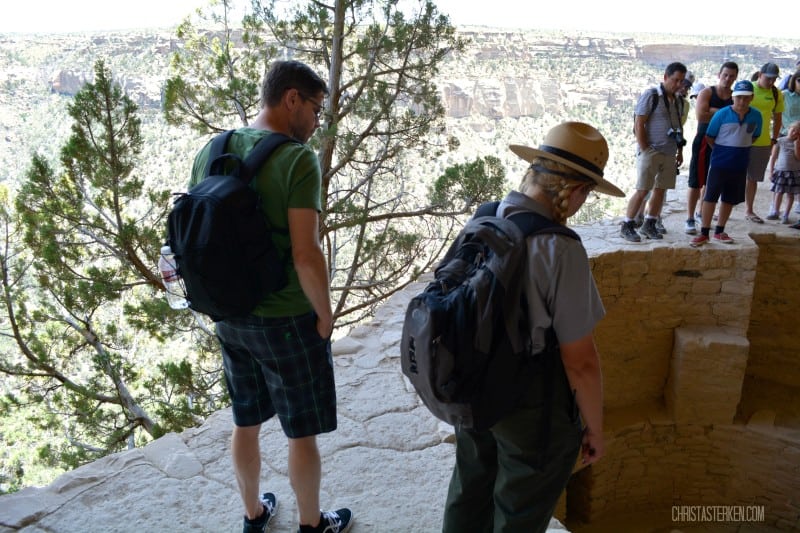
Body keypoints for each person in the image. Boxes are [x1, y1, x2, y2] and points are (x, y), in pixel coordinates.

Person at [189, 60, 353, 533]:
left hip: (229, 312)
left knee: (246, 419)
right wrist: (325, 315)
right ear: (292, 99)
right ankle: (311, 524)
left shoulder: (213, 149)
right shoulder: (298, 160)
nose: (318, 120)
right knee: (301, 431)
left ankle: (253, 513)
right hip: (285, 317)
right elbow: (306, 253)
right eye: (316, 108)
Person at [442, 122, 623, 533]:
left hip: (471, 384)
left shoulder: (486, 216)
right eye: (587, 193)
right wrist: (594, 428)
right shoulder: (560, 248)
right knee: (519, 512)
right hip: (530, 406)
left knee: (469, 491)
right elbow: (580, 362)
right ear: (575, 191)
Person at [620, 62, 688, 242]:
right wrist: (644, 148)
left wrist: (679, 152)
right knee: (643, 189)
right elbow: (639, 123)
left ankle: (649, 224)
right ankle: (627, 224)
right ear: (665, 77)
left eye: (681, 81)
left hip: (669, 152)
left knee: (660, 190)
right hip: (651, 150)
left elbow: (678, 127)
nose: (678, 84)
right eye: (675, 80)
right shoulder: (651, 95)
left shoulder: (679, 101)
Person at [691, 80, 762, 247]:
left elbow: (755, 135)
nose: (742, 102)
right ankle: (704, 232)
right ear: (733, 97)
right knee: (710, 197)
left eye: (745, 98)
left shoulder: (756, 115)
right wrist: (722, 150)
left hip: (740, 163)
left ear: (751, 97)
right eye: (738, 98)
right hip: (719, 163)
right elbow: (710, 136)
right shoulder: (722, 114)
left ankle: (719, 231)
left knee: (729, 198)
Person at [685, 62, 738, 235]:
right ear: (719, 74)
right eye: (725, 75)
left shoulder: (735, 96)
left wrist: (713, 111)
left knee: (711, 181)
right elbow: (701, 115)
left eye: (731, 76)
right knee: (695, 181)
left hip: (725, 144)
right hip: (703, 141)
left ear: (735, 77)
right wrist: (725, 112)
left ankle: (701, 213)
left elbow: (738, 117)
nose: (728, 78)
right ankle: (690, 218)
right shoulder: (707, 92)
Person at [744, 62, 784, 223]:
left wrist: (774, 138)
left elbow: (778, 117)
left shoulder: (776, 93)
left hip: (762, 141)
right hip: (741, 140)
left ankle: (749, 210)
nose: (771, 82)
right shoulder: (749, 88)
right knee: (732, 174)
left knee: (753, 177)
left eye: (774, 79)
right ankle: (724, 209)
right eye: (768, 78)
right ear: (760, 75)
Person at [766, 121, 800, 224]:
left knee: (790, 195)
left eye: (797, 132)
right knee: (778, 192)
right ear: (788, 128)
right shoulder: (780, 141)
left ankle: (786, 214)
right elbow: (773, 158)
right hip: (780, 171)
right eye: (793, 130)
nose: (794, 133)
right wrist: (771, 172)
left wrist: (796, 146)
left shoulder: (798, 143)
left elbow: (798, 158)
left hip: (793, 173)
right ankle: (776, 211)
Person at [781, 71, 800, 136]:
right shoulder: (784, 95)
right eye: (799, 80)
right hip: (786, 133)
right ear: (793, 80)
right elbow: (775, 113)